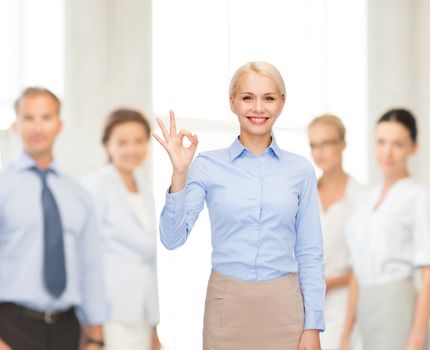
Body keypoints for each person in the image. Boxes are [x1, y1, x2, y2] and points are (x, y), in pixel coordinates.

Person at [153, 61, 325, 350]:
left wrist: (313, 326)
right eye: (247, 98)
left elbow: (310, 252)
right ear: (232, 102)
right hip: (227, 307)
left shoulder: (301, 170)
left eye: (268, 98)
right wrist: (179, 173)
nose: (258, 108)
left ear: (281, 103)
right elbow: (172, 238)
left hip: (285, 309)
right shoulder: (206, 166)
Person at [0, 87, 107, 350]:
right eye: (29, 118)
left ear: (59, 125)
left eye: (46, 117)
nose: (38, 127)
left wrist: (96, 337)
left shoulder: (78, 194)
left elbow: (90, 268)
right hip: (11, 329)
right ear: (15, 125)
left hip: (67, 330)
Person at [341, 109, 430, 350]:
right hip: (366, 306)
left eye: (397, 144)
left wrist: (417, 339)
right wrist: (346, 333)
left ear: (414, 147)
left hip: (398, 303)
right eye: (381, 142)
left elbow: (428, 271)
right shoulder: (366, 199)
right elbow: (357, 271)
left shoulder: (419, 197)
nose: (387, 152)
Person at [82, 109, 161, 350]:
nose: (132, 149)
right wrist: (93, 329)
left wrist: (154, 326)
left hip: (141, 315)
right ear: (107, 145)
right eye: (122, 142)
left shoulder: (146, 192)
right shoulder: (95, 187)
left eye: (139, 141)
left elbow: (149, 262)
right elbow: (86, 259)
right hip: (110, 315)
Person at [308, 115, 363, 350]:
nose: (320, 152)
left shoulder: (361, 198)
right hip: (306, 307)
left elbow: (362, 270)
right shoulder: (305, 195)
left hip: (344, 309)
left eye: (327, 143)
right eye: (314, 145)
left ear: (343, 144)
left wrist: (346, 336)